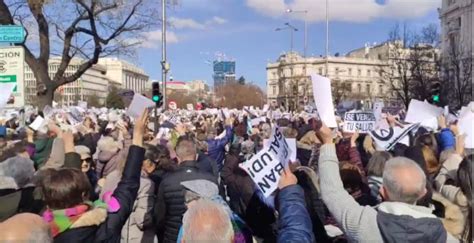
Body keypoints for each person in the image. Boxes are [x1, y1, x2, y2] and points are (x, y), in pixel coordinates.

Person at [317, 123, 458, 242]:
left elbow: (333, 192)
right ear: (424, 192)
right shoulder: (444, 236)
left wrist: (328, 144)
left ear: (382, 191)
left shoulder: (365, 225)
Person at [39, 110, 148, 242]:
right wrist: (137, 136)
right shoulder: (103, 226)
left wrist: (68, 146)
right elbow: (129, 184)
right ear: (84, 195)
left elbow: (71, 182)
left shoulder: (38, 232)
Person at [155, 135, 218, 243]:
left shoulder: (167, 181)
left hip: (173, 236)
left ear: (178, 157)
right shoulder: (211, 179)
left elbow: (159, 217)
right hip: (202, 237)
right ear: (196, 156)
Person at [100, 143, 158, 243]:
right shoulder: (146, 183)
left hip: (110, 233)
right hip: (134, 237)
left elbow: (102, 204)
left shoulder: (110, 177)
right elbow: (142, 220)